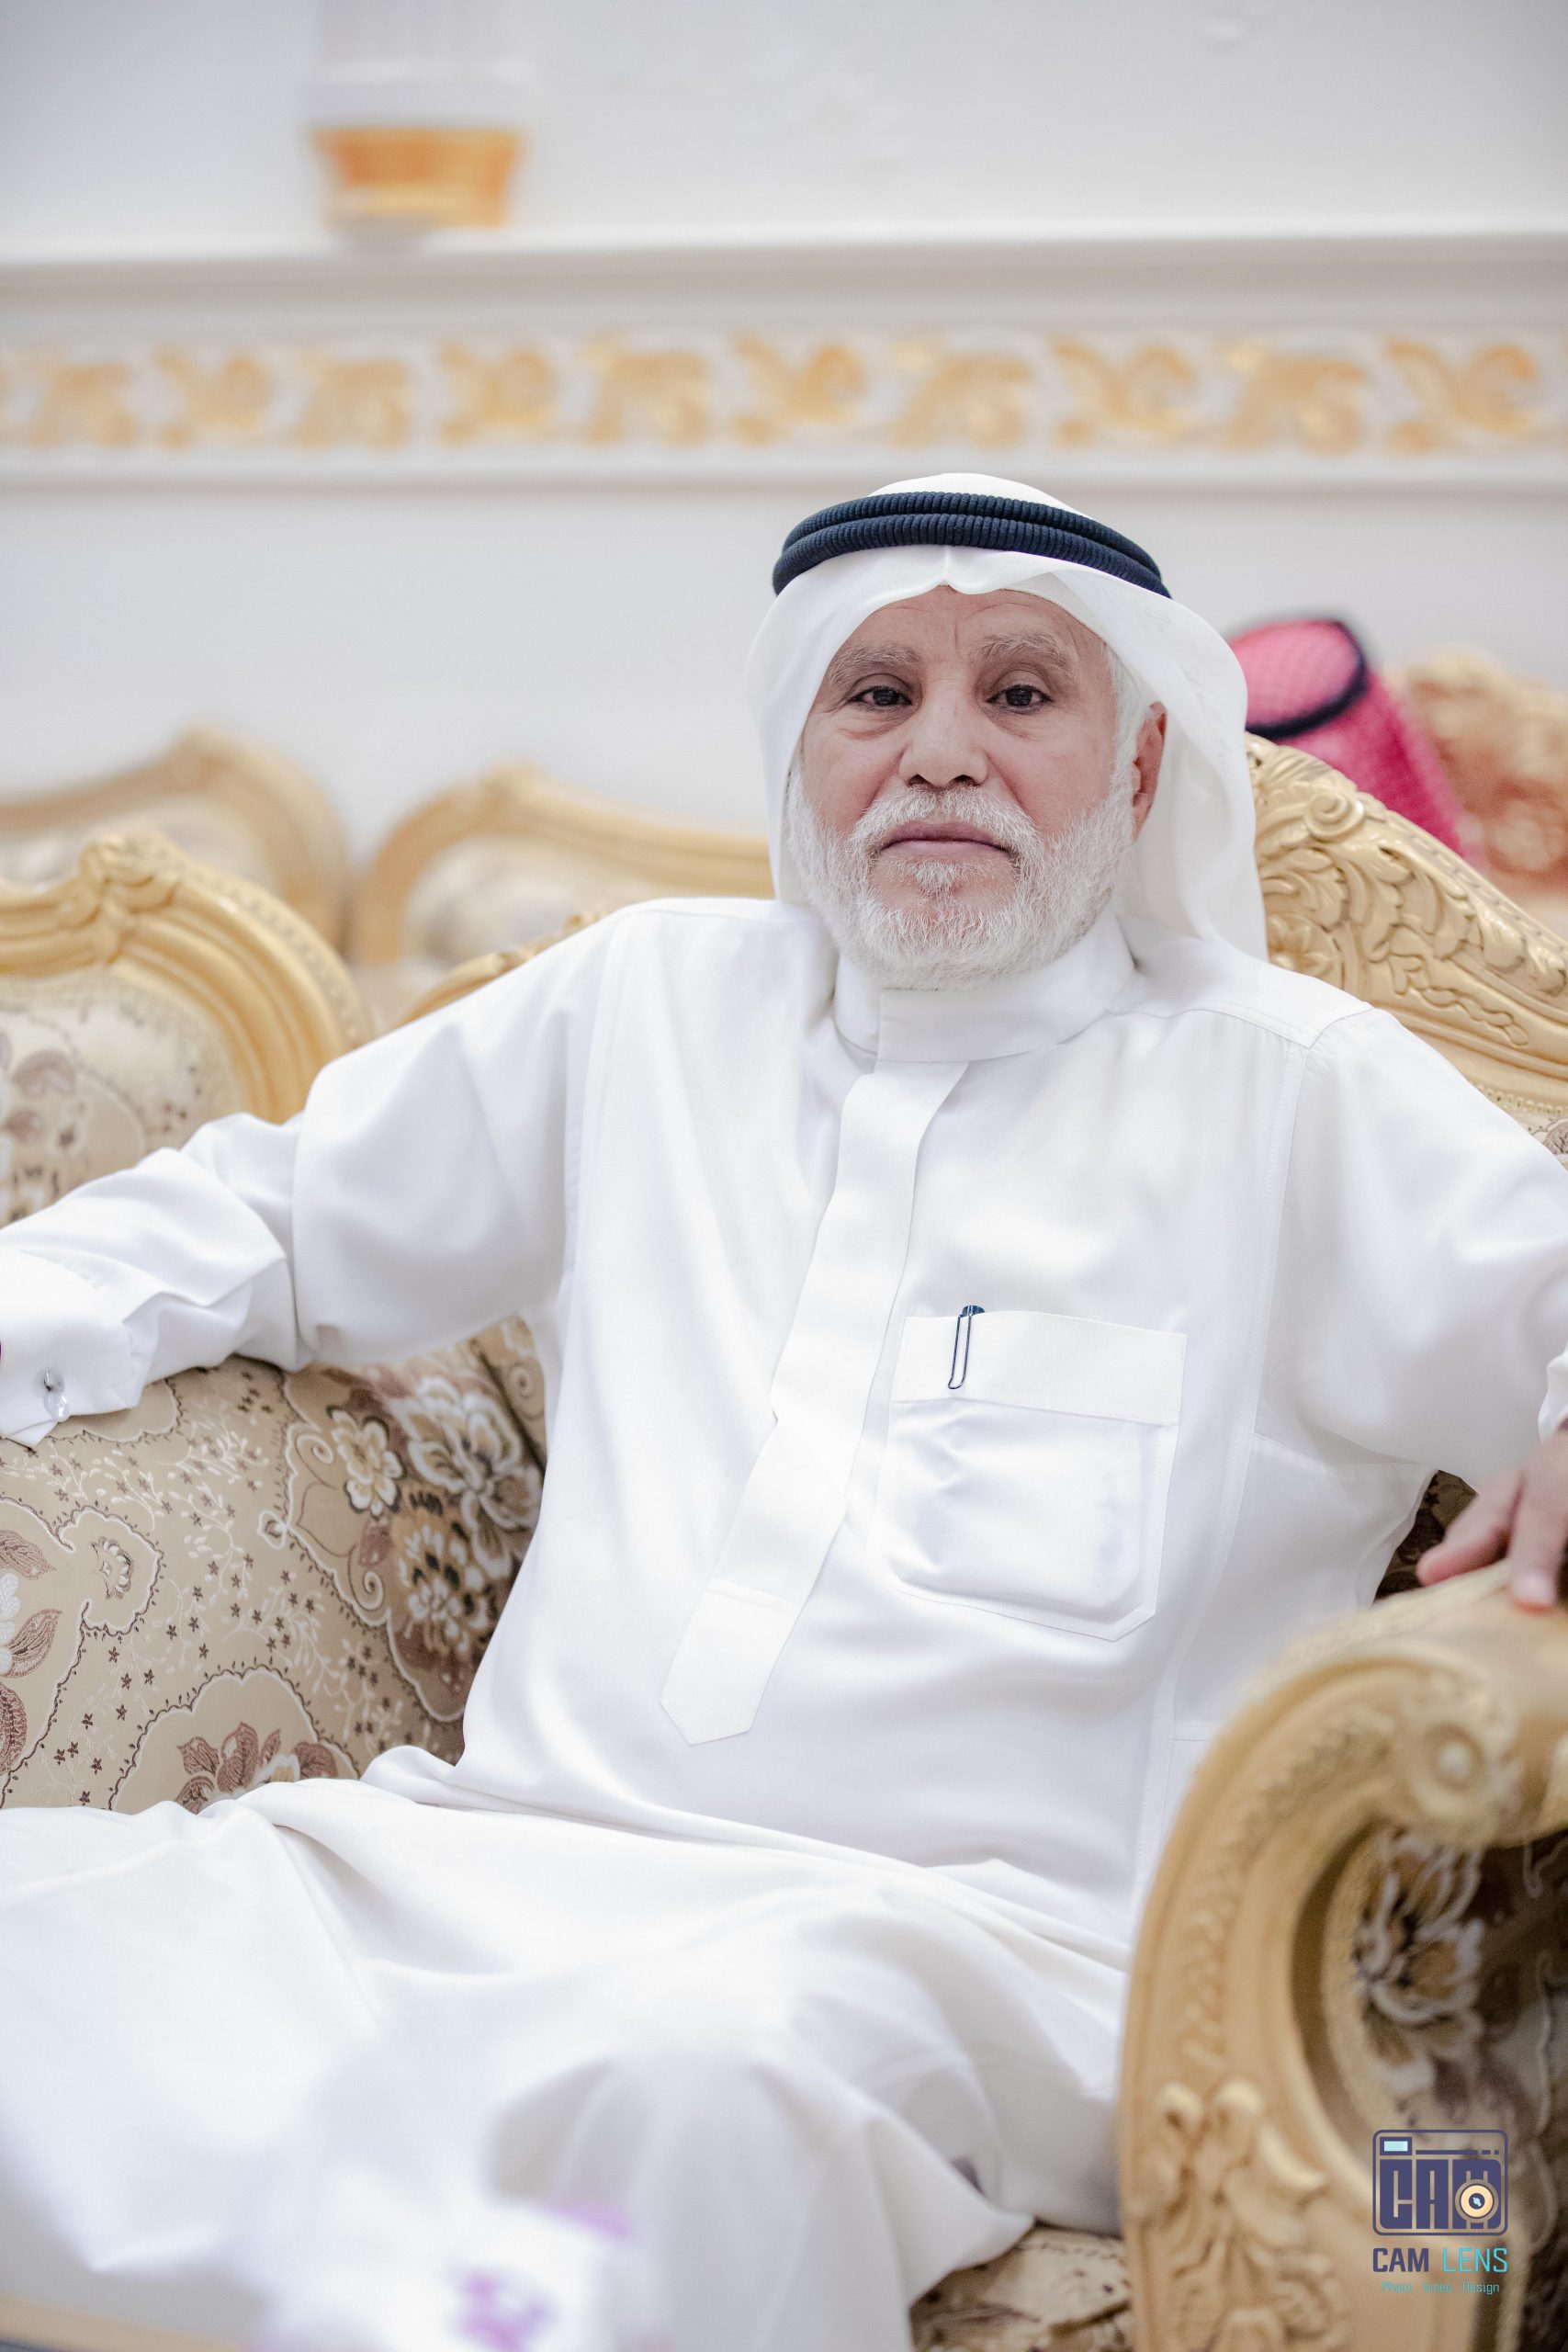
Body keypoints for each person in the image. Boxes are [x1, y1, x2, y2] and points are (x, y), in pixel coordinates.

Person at [1, 472, 1565, 2352]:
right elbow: (259, 1215)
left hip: (992, 1960)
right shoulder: (641, 1006)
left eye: (1019, 694)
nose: (940, 750)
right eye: (876, 692)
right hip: (485, 1863)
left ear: (1142, 761)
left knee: (689, 2099)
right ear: (795, 746)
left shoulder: (1289, 1092)